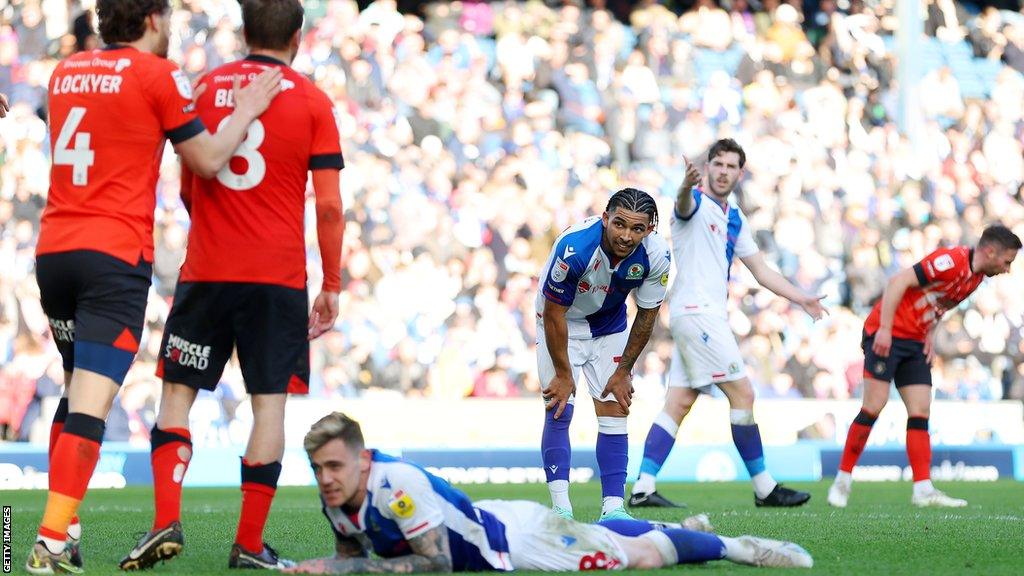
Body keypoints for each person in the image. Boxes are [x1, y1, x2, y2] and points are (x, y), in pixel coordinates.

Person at [27, 1, 282, 573]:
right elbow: (211, 158)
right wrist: (244, 110)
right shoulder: (158, 74)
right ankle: (47, 542)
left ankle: (64, 531)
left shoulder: (65, 71)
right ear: (151, 20)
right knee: (91, 407)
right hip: (111, 258)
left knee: (73, 395)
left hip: (55, 251)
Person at [118, 0, 344, 570]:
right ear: (298, 36)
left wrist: (217, 227)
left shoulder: (204, 86)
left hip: (209, 271)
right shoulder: (314, 100)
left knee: (176, 395)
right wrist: (332, 282)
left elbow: (191, 179)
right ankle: (247, 545)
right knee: (268, 407)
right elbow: (331, 207)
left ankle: (165, 521)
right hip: (277, 278)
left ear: (245, 32)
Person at [286, 411, 814, 574]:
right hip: (491, 519)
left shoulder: (394, 485)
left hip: (516, 545)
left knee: (639, 558)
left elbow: (436, 565)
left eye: (334, 465)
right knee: (597, 532)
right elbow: (350, 555)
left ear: (363, 458)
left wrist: (340, 569)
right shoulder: (337, 495)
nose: (325, 478)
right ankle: (679, 529)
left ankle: (737, 547)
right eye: (317, 469)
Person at [629, 139, 824, 510]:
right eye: (717, 164)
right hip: (698, 313)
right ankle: (765, 487)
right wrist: (685, 185)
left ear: (739, 172)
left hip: (700, 316)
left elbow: (761, 270)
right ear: (708, 168)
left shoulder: (734, 215)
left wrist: (801, 297)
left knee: (679, 402)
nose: (723, 171)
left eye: (731, 166)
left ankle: (643, 486)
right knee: (744, 395)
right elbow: (683, 205)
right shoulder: (696, 203)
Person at [828, 224, 1021, 508]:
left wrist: (930, 333)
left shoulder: (976, 279)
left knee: (920, 411)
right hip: (887, 334)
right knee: (874, 406)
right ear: (990, 251)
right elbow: (898, 282)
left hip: (915, 342)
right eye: (1007, 261)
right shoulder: (951, 260)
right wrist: (884, 328)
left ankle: (923, 489)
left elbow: (940, 303)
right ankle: (842, 481)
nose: (1007, 269)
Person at [536, 188, 671, 521]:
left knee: (615, 410)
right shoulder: (575, 249)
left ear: (649, 230)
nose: (626, 236)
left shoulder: (657, 257)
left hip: (609, 325)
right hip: (560, 322)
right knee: (558, 408)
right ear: (605, 218)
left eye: (637, 229)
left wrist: (624, 370)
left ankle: (614, 509)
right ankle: (560, 509)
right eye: (619, 224)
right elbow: (554, 314)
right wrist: (565, 375)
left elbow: (647, 315)